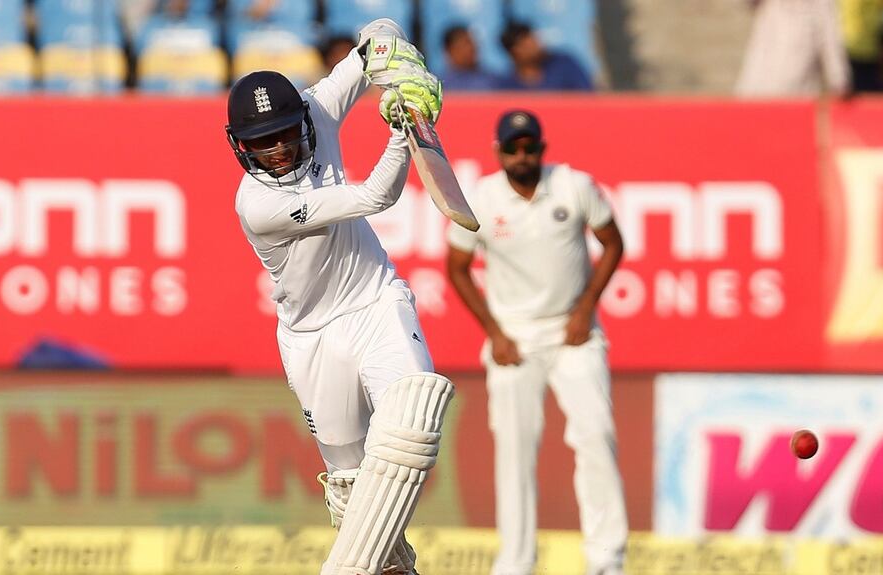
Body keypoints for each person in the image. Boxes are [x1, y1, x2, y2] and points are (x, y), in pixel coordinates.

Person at [225, 18, 453, 575]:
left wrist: (405, 71)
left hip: (375, 302)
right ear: (239, 146)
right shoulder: (257, 204)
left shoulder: (317, 108)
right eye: (260, 141)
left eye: (283, 132)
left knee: (412, 417)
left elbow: (377, 37)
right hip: (309, 337)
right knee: (352, 489)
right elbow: (378, 196)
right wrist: (404, 132)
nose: (276, 148)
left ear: (301, 116)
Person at [446, 110, 628, 575]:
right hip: (514, 339)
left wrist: (586, 308)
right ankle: (516, 563)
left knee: (596, 436)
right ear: (499, 151)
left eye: (530, 147)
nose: (522, 156)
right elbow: (457, 267)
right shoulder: (481, 199)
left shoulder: (573, 185)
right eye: (513, 148)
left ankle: (607, 560)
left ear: (543, 148)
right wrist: (494, 332)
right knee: (515, 449)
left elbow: (612, 243)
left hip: (574, 333)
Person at [736, 0, 850, 97]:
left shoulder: (821, 4)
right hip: (755, 91)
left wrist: (838, 79)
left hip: (794, 96)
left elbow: (830, 41)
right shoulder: (772, 5)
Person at [498, 22, 592, 91]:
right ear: (514, 52)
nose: (536, 45)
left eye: (534, 39)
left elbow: (588, 97)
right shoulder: (506, 85)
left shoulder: (565, 64)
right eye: (526, 45)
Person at [440, 25, 501, 91]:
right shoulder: (439, 86)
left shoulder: (493, 81)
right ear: (449, 50)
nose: (472, 48)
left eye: (472, 43)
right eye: (466, 43)